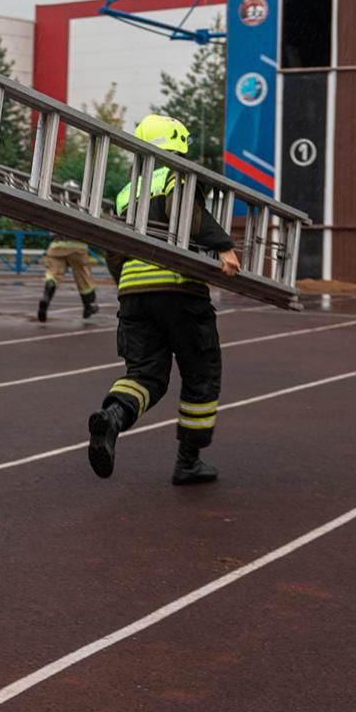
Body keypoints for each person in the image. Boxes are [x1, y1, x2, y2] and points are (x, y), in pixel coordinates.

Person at [85, 115, 241, 486]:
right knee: (201, 373)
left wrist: (127, 284)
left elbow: (113, 248)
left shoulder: (128, 190)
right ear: (178, 142)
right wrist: (224, 247)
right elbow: (184, 215)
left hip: (134, 294)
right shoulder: (178, 175)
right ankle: (188, 461)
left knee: (145, 375)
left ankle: (112, 418)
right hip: (179, 288)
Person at [38, 234, 99, 322]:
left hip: (57, 245)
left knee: (53, 274)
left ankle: (46, 296)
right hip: (78, 246)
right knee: (83, 277)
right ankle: (88, 306)